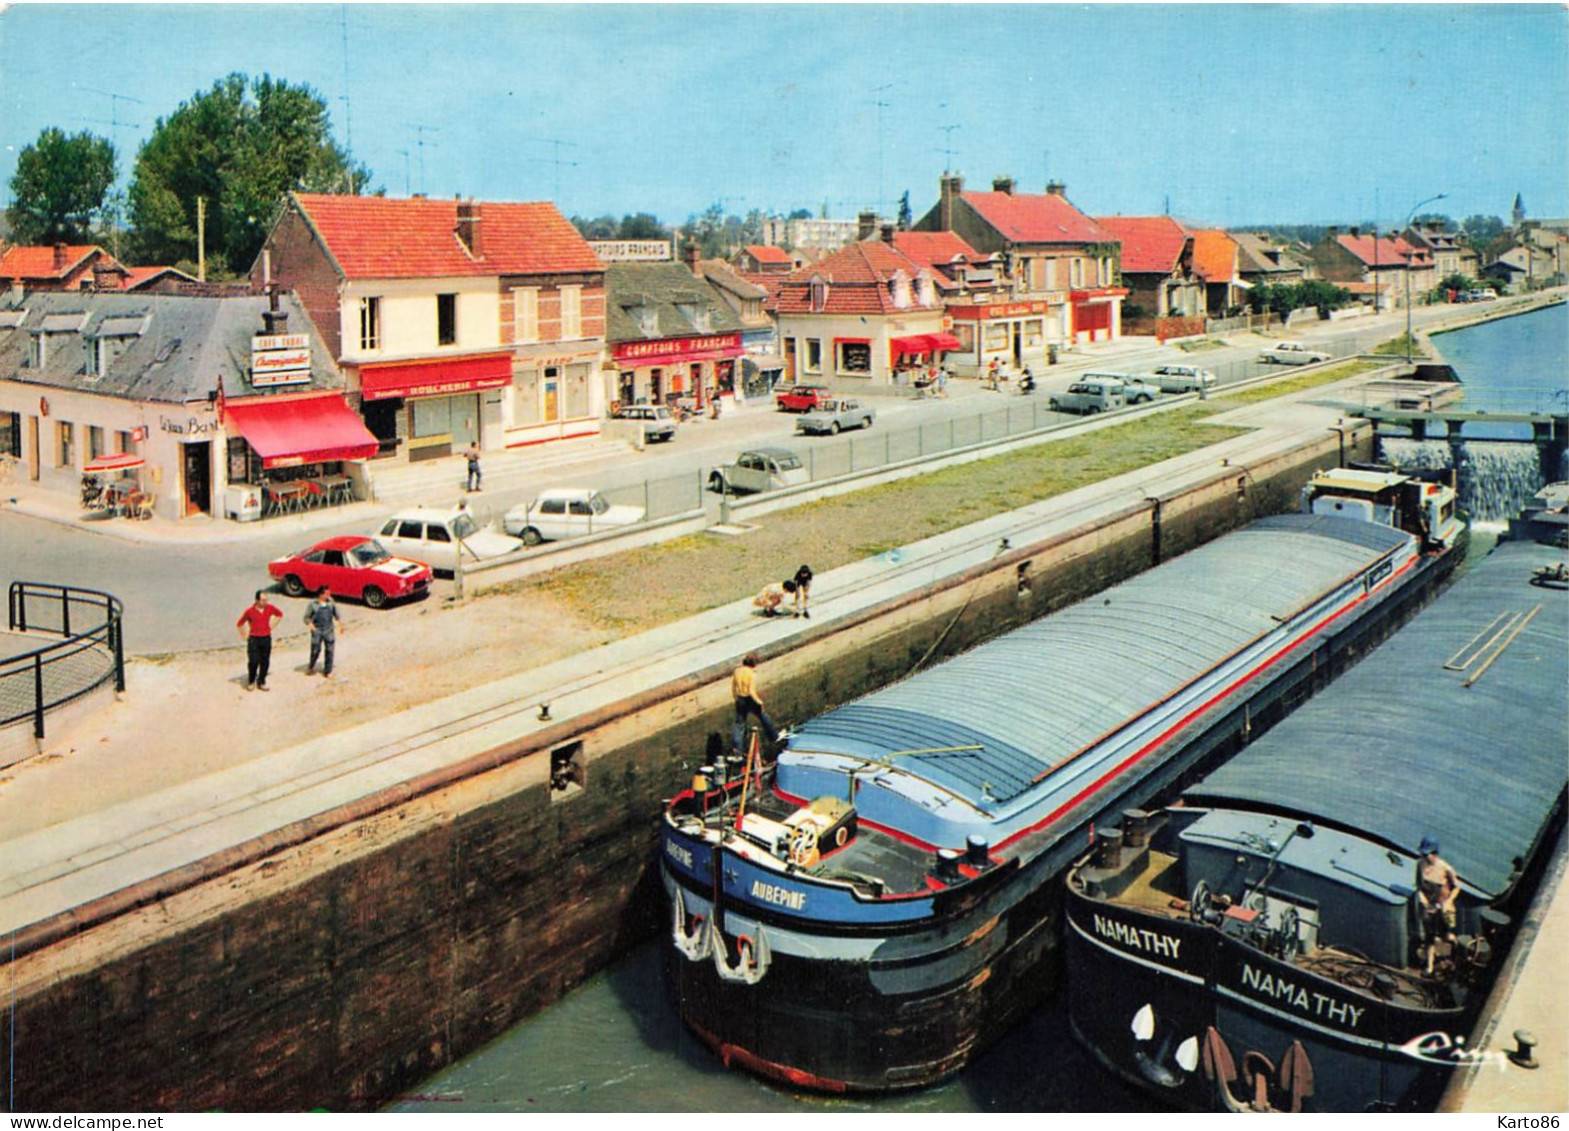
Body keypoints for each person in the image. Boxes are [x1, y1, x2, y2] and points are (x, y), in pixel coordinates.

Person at [1415, 835, 1460, 972]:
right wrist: (1422, 898)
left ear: (1434, 853)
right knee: (1429, 937)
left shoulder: (1445, 868)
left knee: (1447, 936)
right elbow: (1418, 885)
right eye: (1423, 854)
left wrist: (1448, 902)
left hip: (1444, 907)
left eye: (1427, 854)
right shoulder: (1420, 864)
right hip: (1428, 907)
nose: (1424, 857)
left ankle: (1456, 956)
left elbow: (1457, 887)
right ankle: (1429, 966)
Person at [731, 652, 780, 755]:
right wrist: (759, 702)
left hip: (740, 698)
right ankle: (774, 736)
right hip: (749, 699)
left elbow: (733, 687)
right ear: (754, 664)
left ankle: (737, 750)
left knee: (739, 725)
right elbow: (751, 691)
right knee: (763, 716)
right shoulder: (751, 674)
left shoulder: (737, 671)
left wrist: (736, 698)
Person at [236, 589, 283, 691]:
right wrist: (245, 636)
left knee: (265, 661)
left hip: (266, 638)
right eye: (263, 600)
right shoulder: (249, 611)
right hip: (254, 639)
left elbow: (279, 614)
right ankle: (251, 680)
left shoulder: (270, 608)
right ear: (257, 600)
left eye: (266, 600)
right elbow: (239, 624)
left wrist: (271, 625)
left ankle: (261, 681)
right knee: (253, 661)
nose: (265, 602)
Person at [304, 586, 344, 678]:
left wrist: (341, 625)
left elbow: (336, 614)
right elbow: (306, 617)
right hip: (317, 630)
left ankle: (328, 671)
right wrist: (311, 626)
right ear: (321, 594)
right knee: (315, 650)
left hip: (328, 629)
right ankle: (311, 665)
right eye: (327, 594)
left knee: (330, 650)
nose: (328, 596)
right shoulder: (313, 604)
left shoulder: (331, 603)